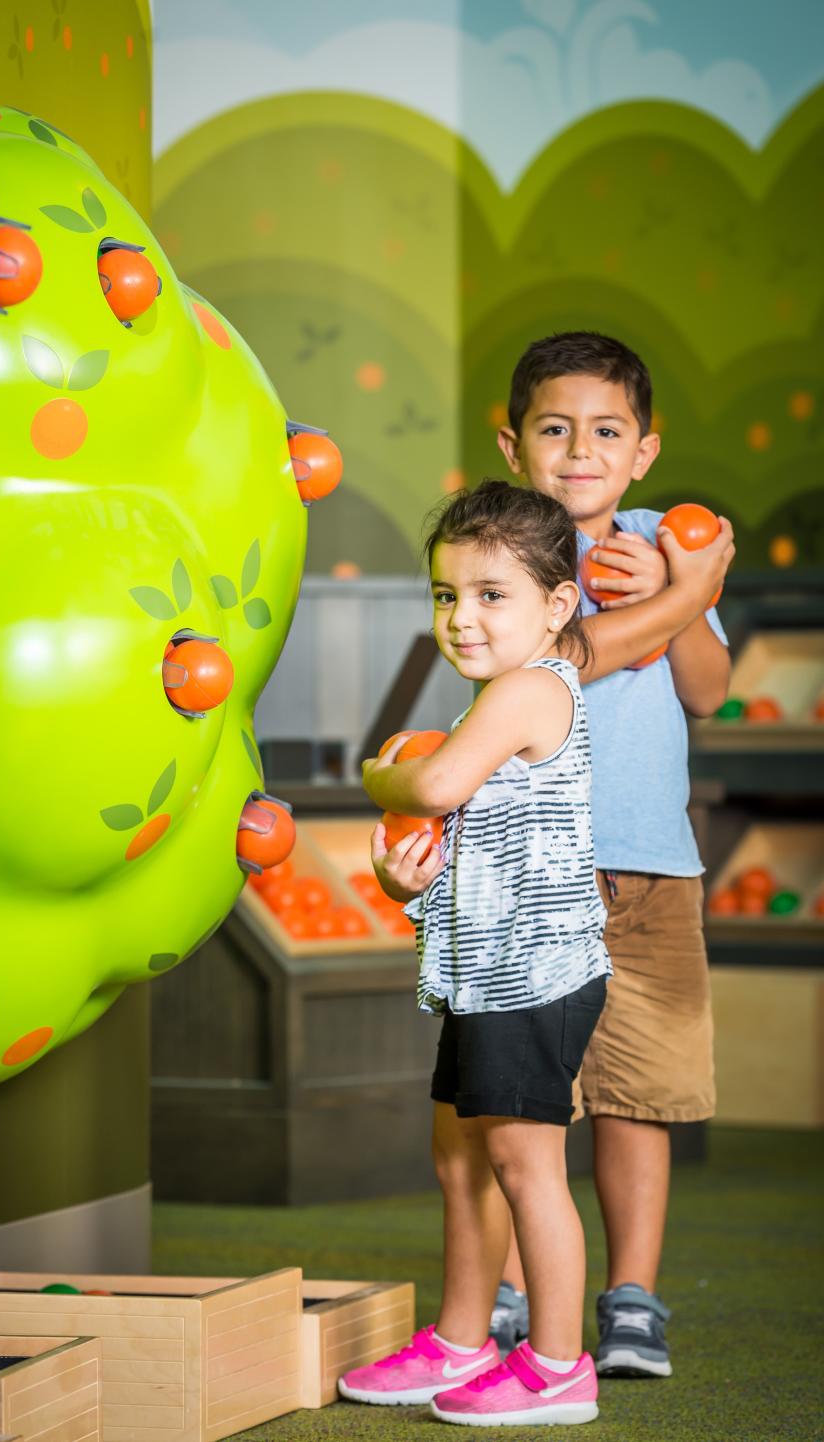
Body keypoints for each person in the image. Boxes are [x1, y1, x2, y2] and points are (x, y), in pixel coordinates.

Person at [488, 330, 735, 1377]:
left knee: (640, 1095)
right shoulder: (498, 547)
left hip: (653, 869)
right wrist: (661, 597)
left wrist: (677, 594)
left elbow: (709, 688)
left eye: (606, 430)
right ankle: (501, 1295)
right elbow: (561, 662)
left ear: (643, 450)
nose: (579, 449)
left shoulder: (665, 537)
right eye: (554, 427)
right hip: (535, 865)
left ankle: (631, 1299)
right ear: (513, 444)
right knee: (522, 1096)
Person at [339, 480, 611, 1427]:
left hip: (535, 975)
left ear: (557, 605)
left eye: (492, 594)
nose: (462, 618)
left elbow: (437, 781)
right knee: (458, 1157)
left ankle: (558, 1365)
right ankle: (461, 1339)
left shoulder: (530, 689)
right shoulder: (484, 703)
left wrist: (374, 771)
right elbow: (445, 841)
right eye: (447, 595)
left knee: (525, 1164)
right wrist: (403, 881)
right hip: (479, 973)